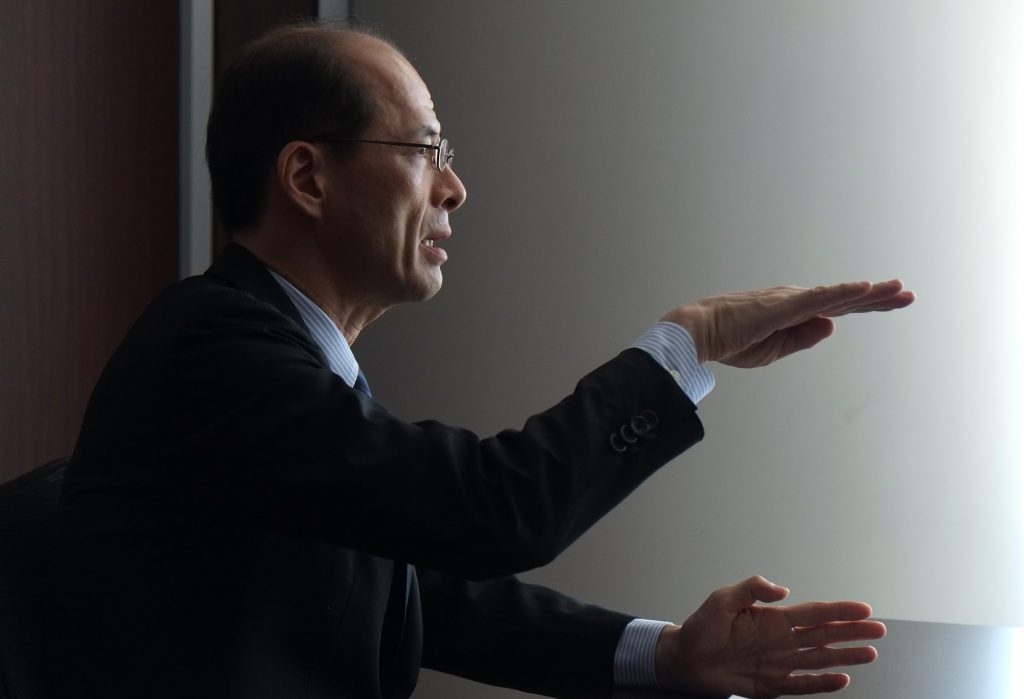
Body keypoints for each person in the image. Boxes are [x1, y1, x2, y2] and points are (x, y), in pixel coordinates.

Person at [51, 22, 913, 699]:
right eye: (424, 150)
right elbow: (492, 512)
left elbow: (426, 593)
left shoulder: (281, 360)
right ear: (308, 180)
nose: (453, 187)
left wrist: (671, 655)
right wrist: (692, 339)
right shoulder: (213, 352)